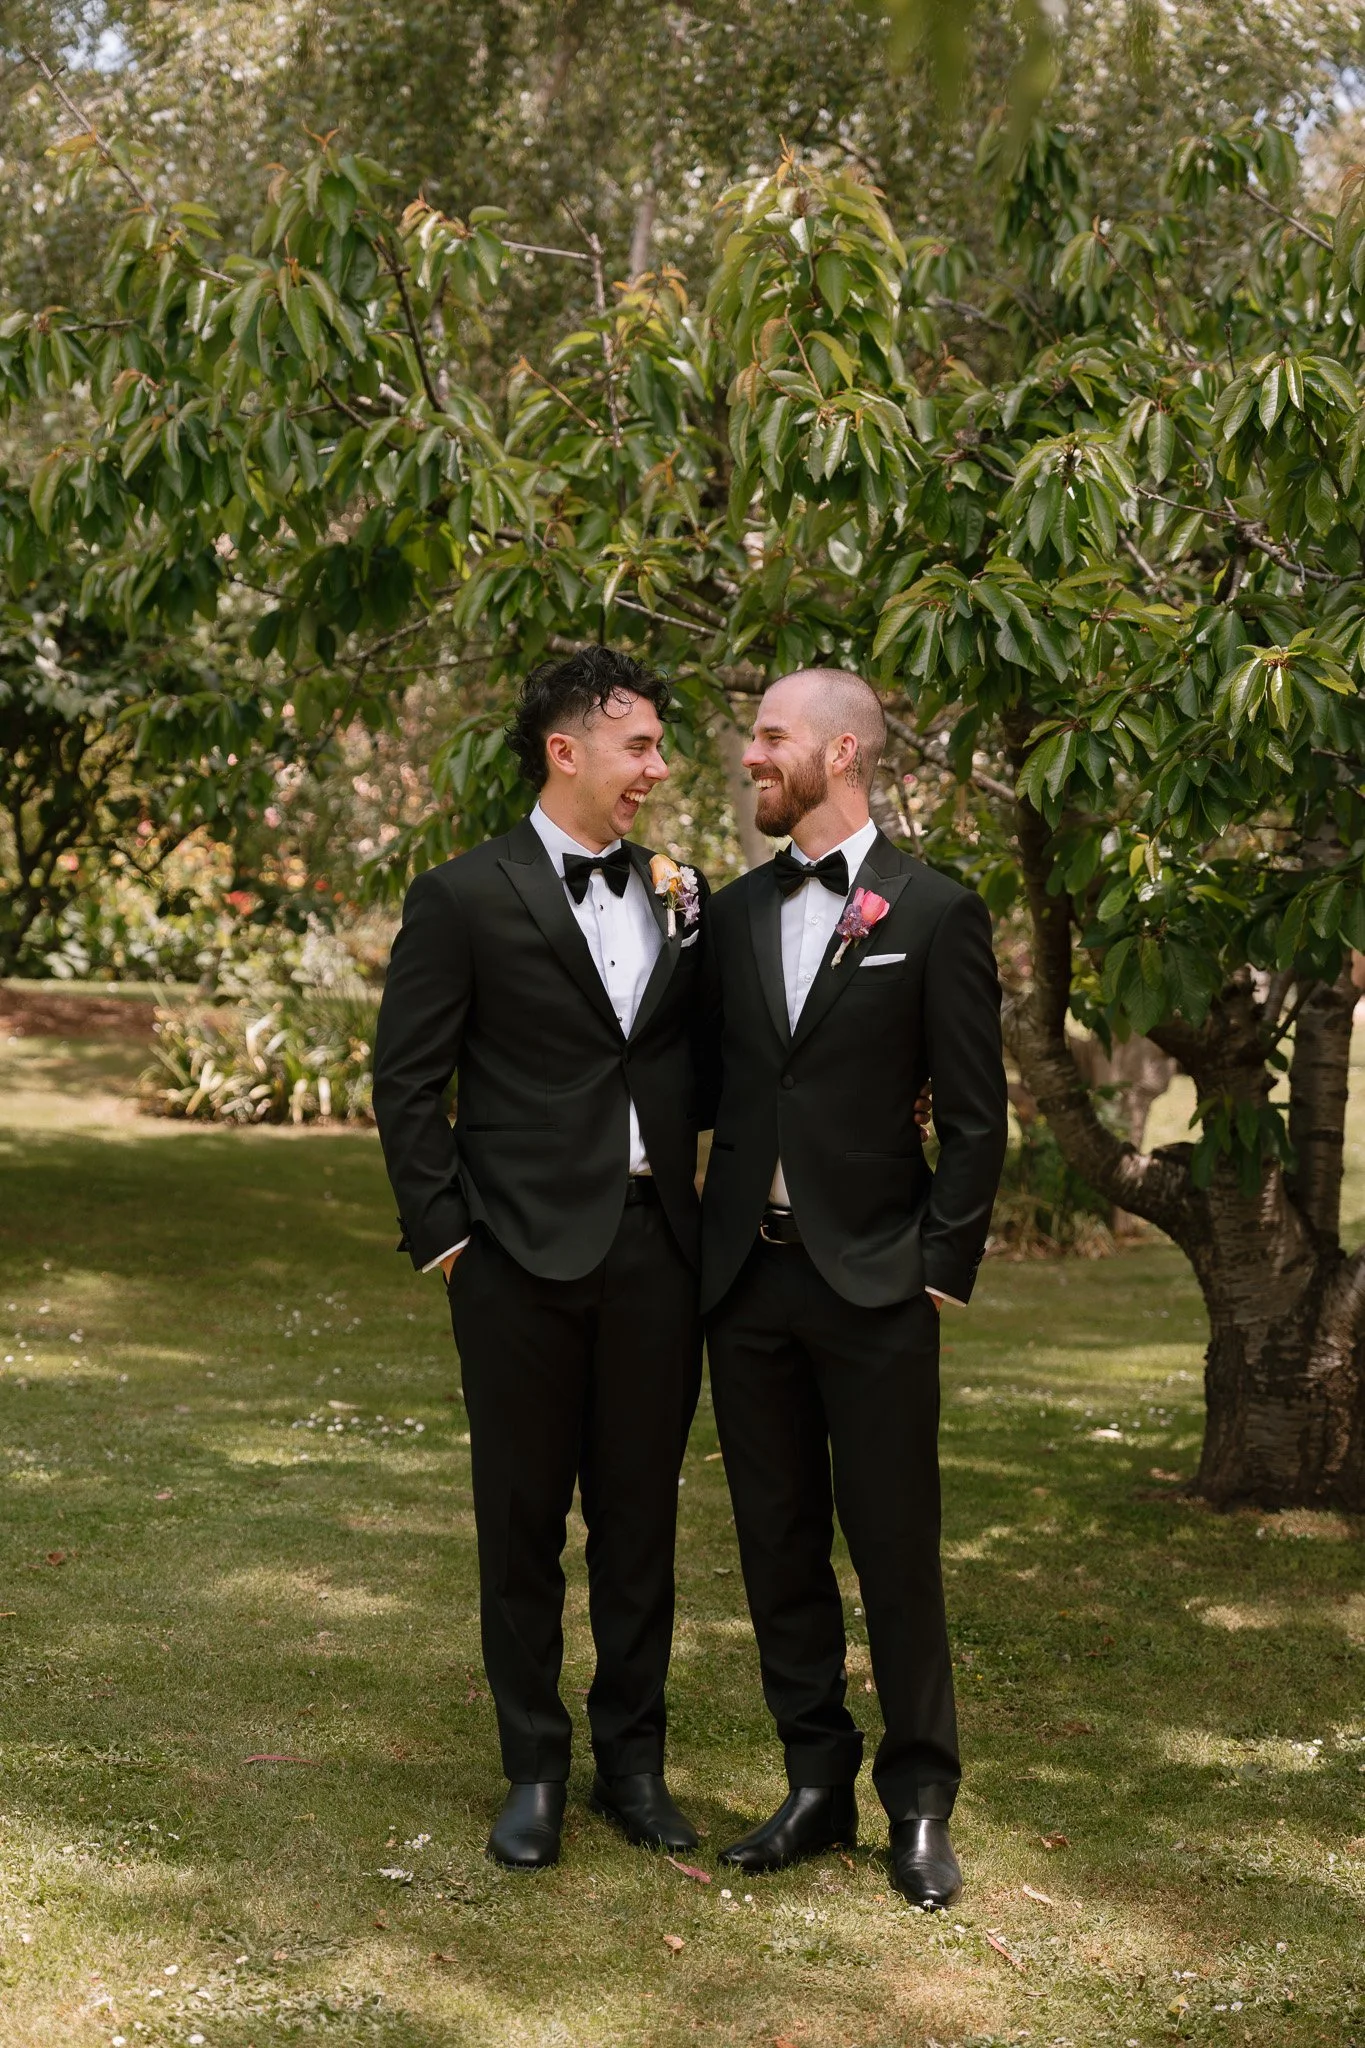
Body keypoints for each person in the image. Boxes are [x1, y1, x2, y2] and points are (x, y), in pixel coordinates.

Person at [372, 646, 713, 1871]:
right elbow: (407, 1082)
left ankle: (635, 1764)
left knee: (640, 1521)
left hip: (658, 1249)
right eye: (639, 745)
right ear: (565, 750)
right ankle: (533, 1767)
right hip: (513, 1257)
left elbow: (708, 1056)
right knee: (519, 1520)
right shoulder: (461, 896)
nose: (657, 768)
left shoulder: (684, 891)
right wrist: (453, 1243)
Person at [700, 667, 1008, 1908]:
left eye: (771, 736)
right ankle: (814, 1781)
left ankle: (920, 1802)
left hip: (878, 1285)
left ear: (842, 750)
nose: (752, 755)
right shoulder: (731, 912)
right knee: (777, 1544)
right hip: (746, 1283)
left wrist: (936, 1274)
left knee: (894, 1548)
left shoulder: (936, 911)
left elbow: (977, 1119)